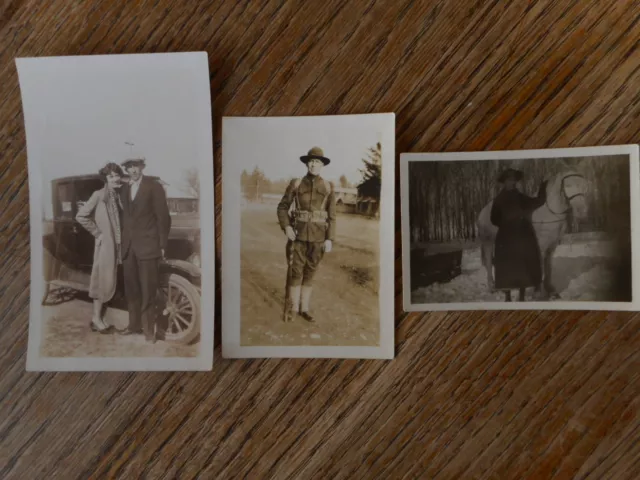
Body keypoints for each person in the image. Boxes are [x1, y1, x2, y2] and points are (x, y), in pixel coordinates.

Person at [277, 146, 337, 322]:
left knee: (310, 272)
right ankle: (292, 308)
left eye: (317, 162)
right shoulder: (296, 184)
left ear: (322, 165)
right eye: (311, 161)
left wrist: (330, 239)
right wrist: (287, 227)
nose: (313, 165)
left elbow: (332, 216)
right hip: (298, 236)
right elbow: (282, 208)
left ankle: (305, 308)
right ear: (307, 164)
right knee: (295, 272)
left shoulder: (328, 187)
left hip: (318, 238)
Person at [118, 158, 171, 342]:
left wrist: (162, 245)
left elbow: (163, 217)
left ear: (142, 167)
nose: (132, 170)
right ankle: (133, 326)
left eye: (135, 166)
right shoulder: (124, 189)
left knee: (148, 290)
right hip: (128, 248)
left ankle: (149, 331)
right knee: (131, 290)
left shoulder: (153, 186)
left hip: (148, 246)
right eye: (129, 167)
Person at [75, 162, 124, 333]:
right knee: (102, 281)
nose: (115, 178)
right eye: (111, 176)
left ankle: (102, 318)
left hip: (119, 247)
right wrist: (98, 233)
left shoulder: (118, 195)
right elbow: (81, 216)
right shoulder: (98, 195)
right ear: (106, 179)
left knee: (112, 282)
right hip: (106, 246)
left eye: (117, 175)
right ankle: (96, 318)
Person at [491, 168, 547, 302]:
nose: (512, 183)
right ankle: (508, 297)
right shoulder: (498, 199)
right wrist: (507, 225)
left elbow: (537, 202)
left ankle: (522, 296)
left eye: (514, 180)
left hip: (523, 234)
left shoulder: (520, 197)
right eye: (509, 180)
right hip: (506, 237)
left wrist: (543, 186)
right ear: (504, 182)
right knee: (507, 266)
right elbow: (494, 218)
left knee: (524, 262)